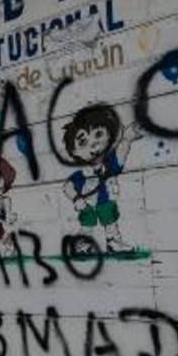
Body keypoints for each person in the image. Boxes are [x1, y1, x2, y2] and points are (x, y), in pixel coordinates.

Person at [60, 105, 142, 254]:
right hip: (88, 205)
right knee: (87, 224)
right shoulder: (82, 174)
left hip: (105, 201)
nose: (94, 144)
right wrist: (76, 198)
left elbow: (121, 152)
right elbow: (68, 186)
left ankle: (113, 242)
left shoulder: (110, 164)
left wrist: (127, 138)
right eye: (83, 142)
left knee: (110, 219)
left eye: (98, 134)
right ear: (75, 151)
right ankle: (81, 244)